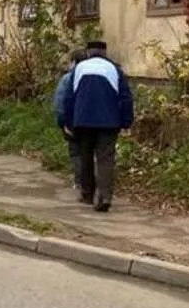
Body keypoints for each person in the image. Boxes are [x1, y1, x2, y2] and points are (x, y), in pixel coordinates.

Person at [58, 40, 133, 213]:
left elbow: (69, 98)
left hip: (83, 121)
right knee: (106, 159)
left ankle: (87, 194)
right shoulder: (114, 69)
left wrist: (67, 122)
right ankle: (105, 196)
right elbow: (125, 97)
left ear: (88, 52)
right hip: (108, 122)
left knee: (86, 157)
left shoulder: (79, 68)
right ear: (104, 53)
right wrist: (126, 122)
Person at [54, 49, 90, 190]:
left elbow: (60, 102)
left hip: (73, 121)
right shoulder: (92, 76)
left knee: (76, 151)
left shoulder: (68, 78)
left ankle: (80, 181)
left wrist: (62, 123)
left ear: (73, 62)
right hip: (92, 121)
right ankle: (92, 181)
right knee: (90, 150)